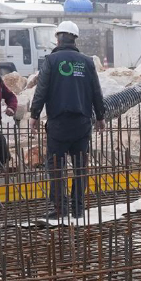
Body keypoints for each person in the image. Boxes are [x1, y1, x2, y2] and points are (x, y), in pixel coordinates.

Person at [28, 21, 104, 221]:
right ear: (75, 38)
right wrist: (101, 116)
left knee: (56, 167)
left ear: (57, 38)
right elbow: (96, 91)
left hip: (59, 124)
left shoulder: (51, 61)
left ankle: (60, 209)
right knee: (80, 167)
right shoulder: (87, 62)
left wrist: (34, 115)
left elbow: (41, 90)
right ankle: (78, 209)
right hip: (82, 123)